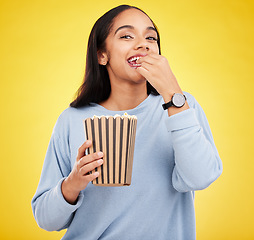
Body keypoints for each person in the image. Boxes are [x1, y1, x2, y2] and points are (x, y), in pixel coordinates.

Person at [32, 4, 222, 240]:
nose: (143, 44)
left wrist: (173, 93)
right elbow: (45, 219)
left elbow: (201, 177)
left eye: (151, 37)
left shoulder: (182, 106)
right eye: (126, 35)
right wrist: (73, 183)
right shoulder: (72, 120)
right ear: (102, 55)